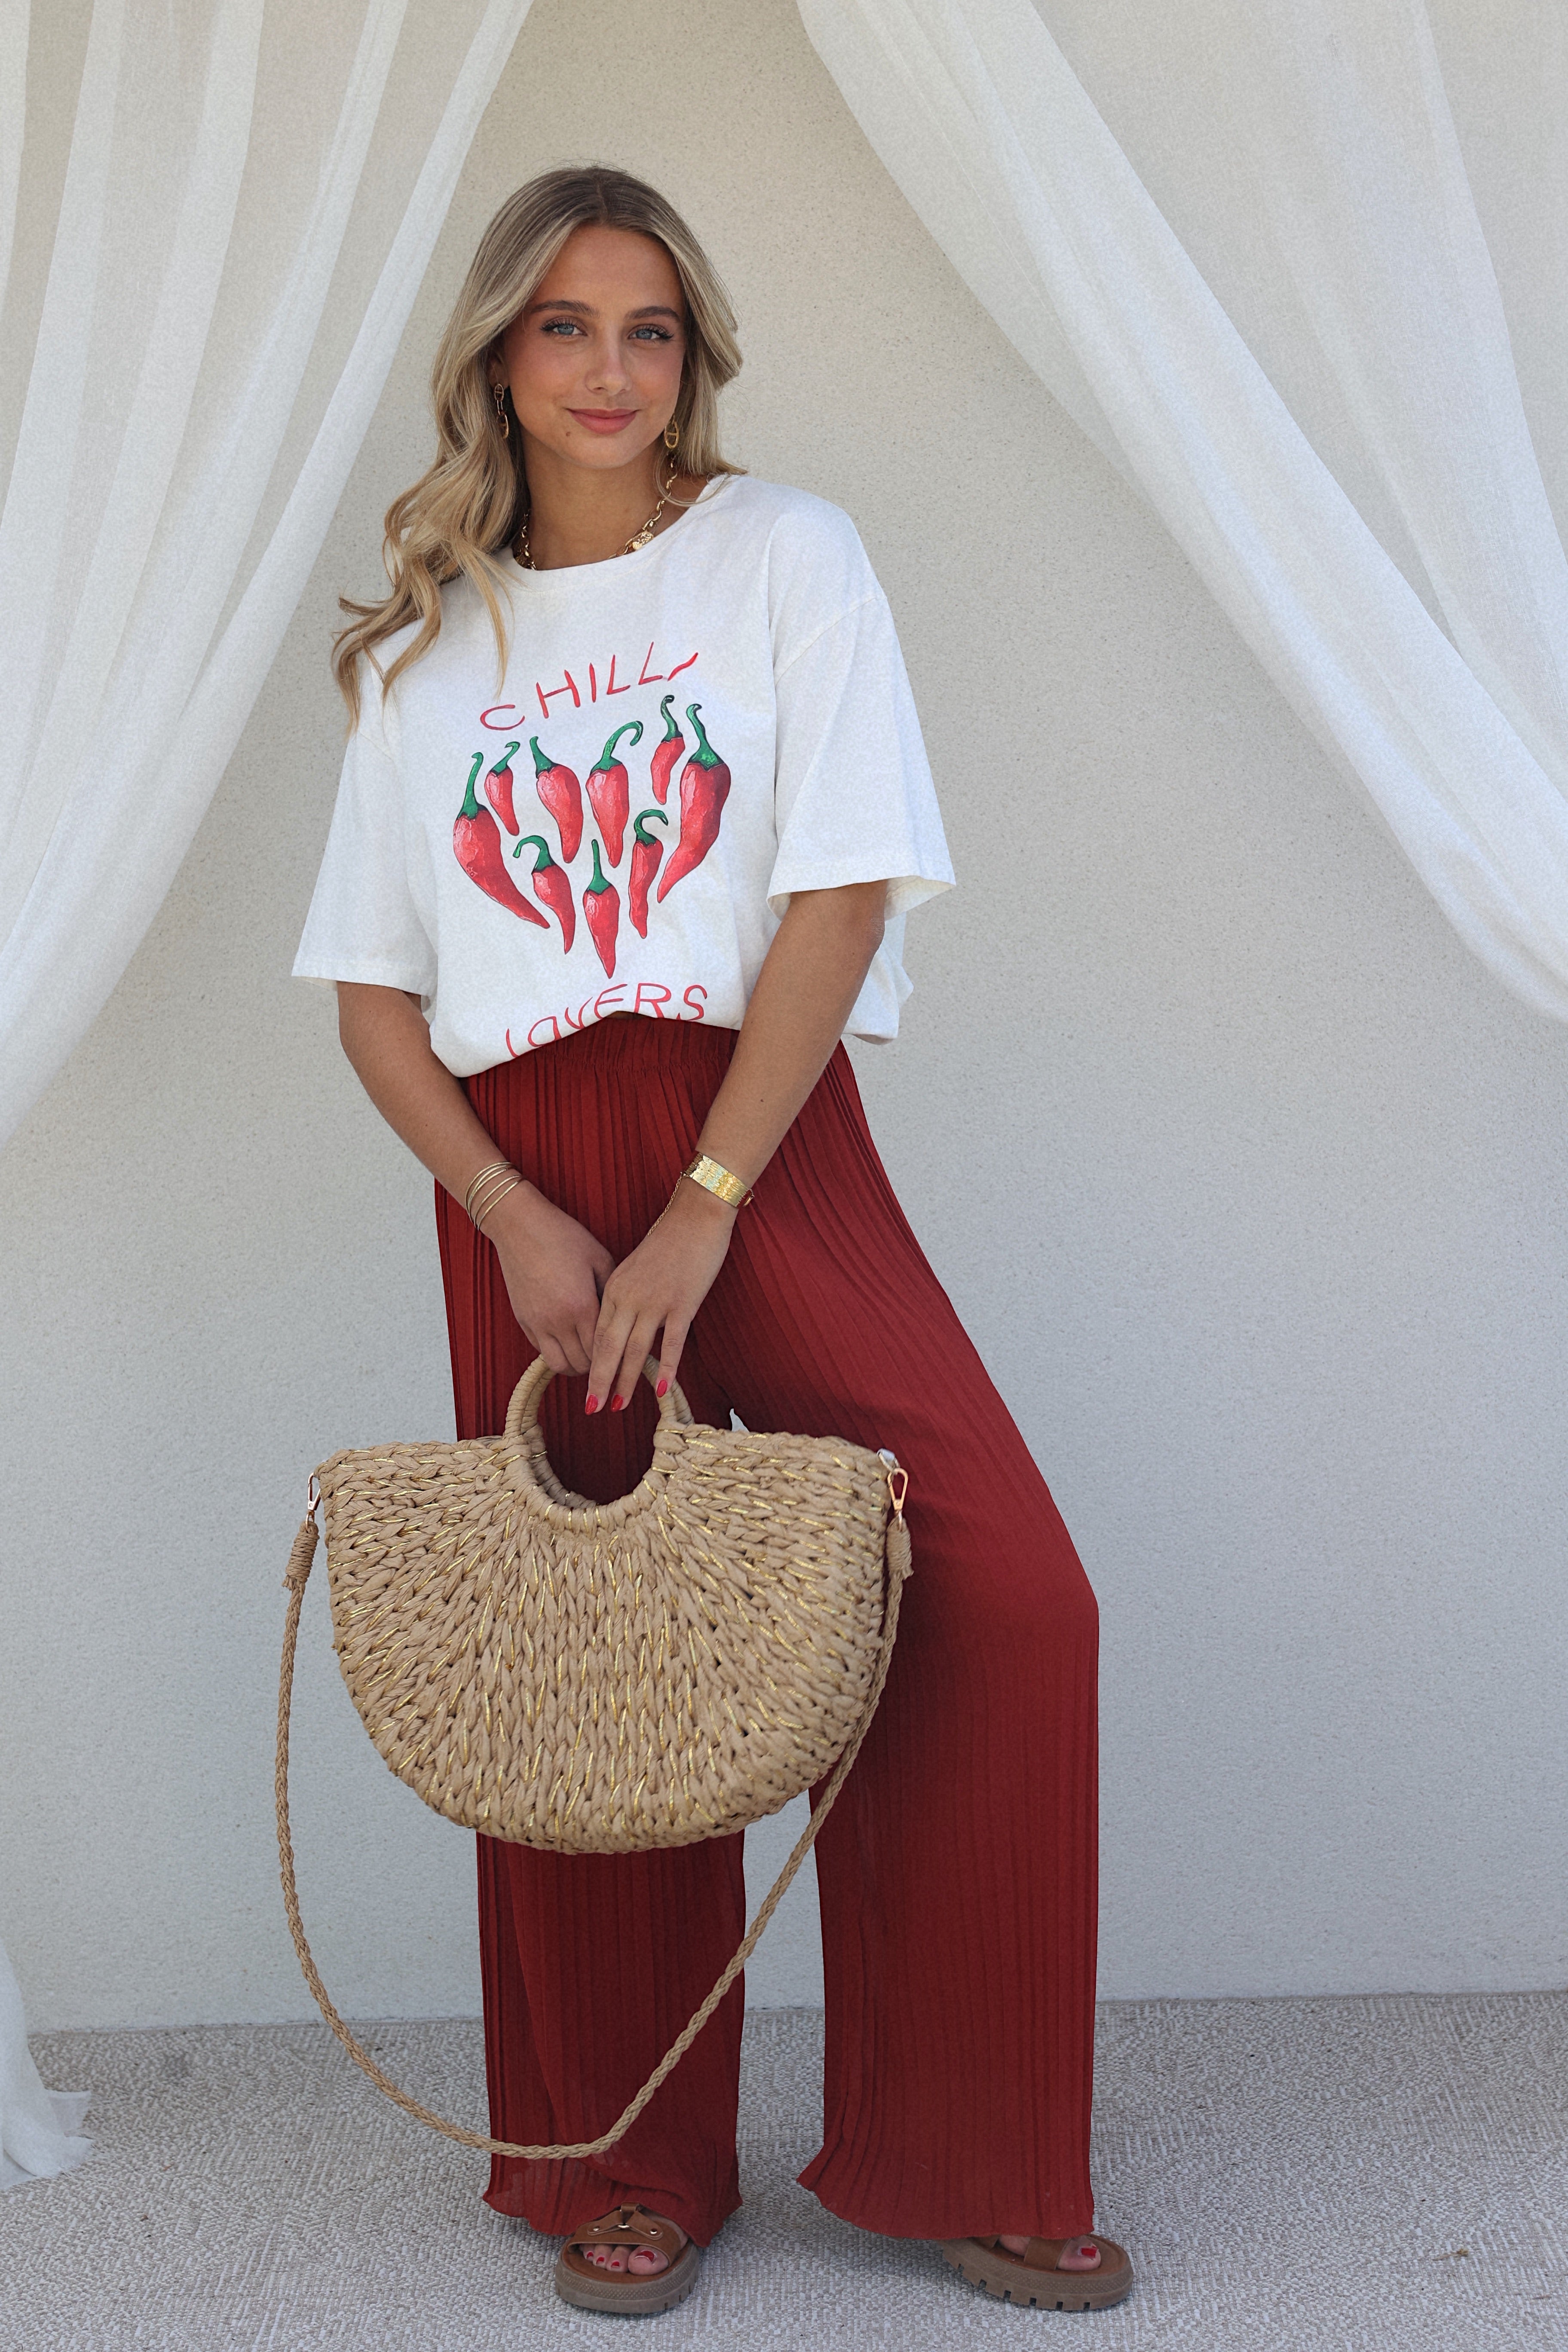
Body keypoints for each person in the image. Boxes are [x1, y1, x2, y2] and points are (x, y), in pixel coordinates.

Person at [294, 162, 1131, 2319]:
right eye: (564, 326)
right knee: (591, 1653)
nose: (609, 369)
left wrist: (705, 1209)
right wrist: (514, 1215)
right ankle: (624, 2166)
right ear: (500, 354)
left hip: (757, 1132)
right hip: (523, 1183)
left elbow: (839, 891)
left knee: (999, 1593)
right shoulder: (423, 648)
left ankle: (967, 2148)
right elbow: (373, 1000)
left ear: (695, 356)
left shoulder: (785, 556)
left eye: (648, 328)